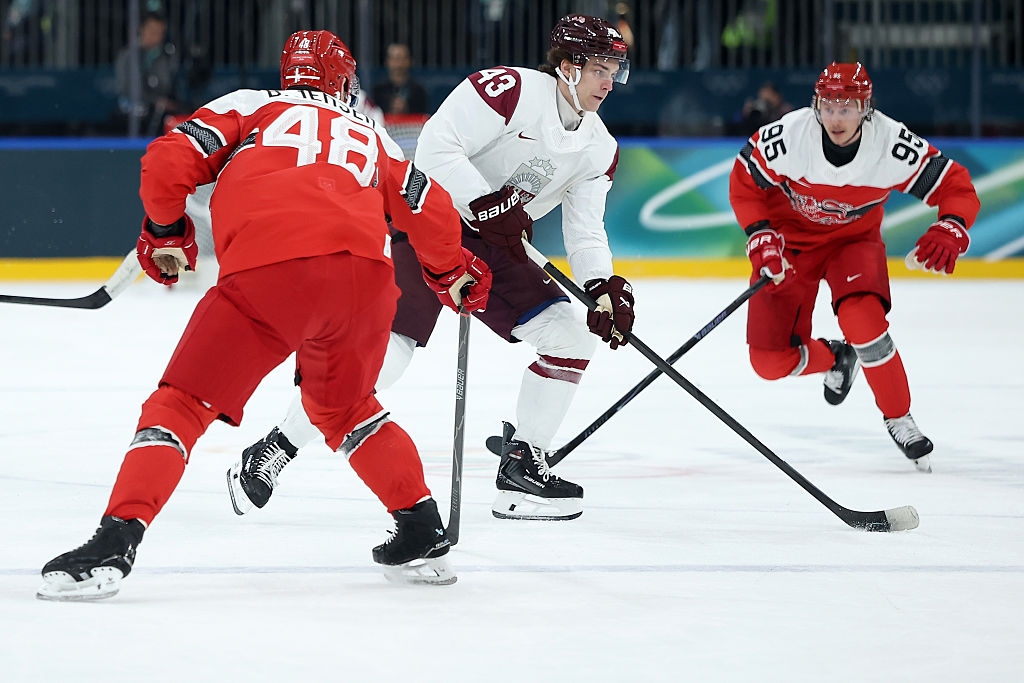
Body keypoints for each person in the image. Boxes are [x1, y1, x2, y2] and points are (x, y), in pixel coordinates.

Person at [36, 29, 493, 601]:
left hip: (271, 271)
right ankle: (421, 528)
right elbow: (429, 205)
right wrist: (450, 272)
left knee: (181, 404)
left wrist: (165, 229)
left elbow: (168, 159)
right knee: (347, 409)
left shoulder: (252, 104)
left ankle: (114, 542)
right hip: (365, 283)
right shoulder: (371, 132)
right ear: (340, 79)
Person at [228, 14, 636, 522]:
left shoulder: (600, 148)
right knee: (387, 358)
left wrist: (602, 284)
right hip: (431, 220)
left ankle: (521, 468)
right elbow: (437, 147)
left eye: (614, 72)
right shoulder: (509, 91)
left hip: (499, 243)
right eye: (599, 69)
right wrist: (484, 202)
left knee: (570, 337)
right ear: (569, 67)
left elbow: (585, 229)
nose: (608, 83)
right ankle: (275, 448)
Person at [729, 61, 980, 473]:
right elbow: (744, 180)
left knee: (864, 322)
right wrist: (759, 233)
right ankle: (837, 359)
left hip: (853, 243)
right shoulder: (791, 135)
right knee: (769, 361)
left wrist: (952, 224)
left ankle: (899, 417)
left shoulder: (891, 143)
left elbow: (955, 184)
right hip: (790, 245)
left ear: (866, 108)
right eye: (828, 107)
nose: (836, 118)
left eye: (846, 108)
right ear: (816, 105)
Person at [114, 12, 187, 136]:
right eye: (153, 31)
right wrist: (155, 101)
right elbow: (128, 88)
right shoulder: (129, 56)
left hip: (162, 109)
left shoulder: (166, 55)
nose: (157, 36)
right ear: (142, 30)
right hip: (134, 108)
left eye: (160, 33)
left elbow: (169, 84)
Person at [370, 42, 429, 115]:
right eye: (394, 58)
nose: (398, 64)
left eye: (402, 58)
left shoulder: (419, 92)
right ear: (387, 61)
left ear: (410, 61)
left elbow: (424, 116)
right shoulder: (377, 92)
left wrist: (408, 109)